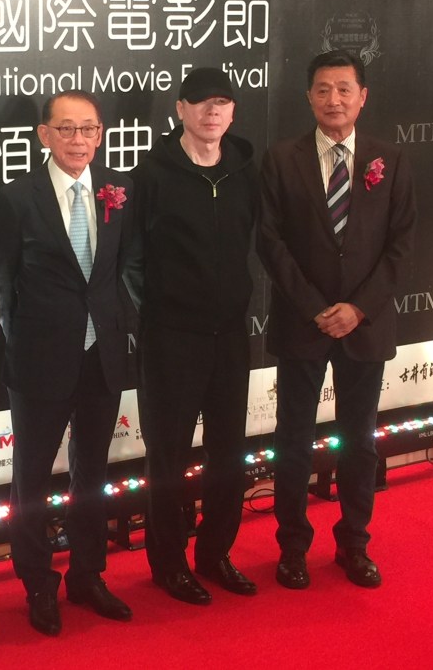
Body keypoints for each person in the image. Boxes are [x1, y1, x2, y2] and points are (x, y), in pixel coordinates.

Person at [257, 49, 417, 590]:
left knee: (359, 441)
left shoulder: (390, 159)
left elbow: (401, 246)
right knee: (294, 440)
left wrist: (358, 308)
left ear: (362, 96)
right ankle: (292, 548)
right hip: (303, 323)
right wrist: (315, 308)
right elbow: (270, 242)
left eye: (344, 89)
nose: (334, 99)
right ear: (309, 97)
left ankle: (354, 543)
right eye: (323, 89)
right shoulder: (282, 159)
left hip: (364, 327)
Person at [0, 90, 134, 637]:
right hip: (39, 359)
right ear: (44, 135)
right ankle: (36, 582)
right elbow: (3, 283)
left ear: (100, 134)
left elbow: (122, 268)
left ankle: (87, 574)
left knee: (92, 474)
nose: (79, 140)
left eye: (89, 129)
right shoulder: (15, 198)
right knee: (30, 479)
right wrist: (22, 343)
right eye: (66, 129)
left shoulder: (118, 189)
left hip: (103, 355)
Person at [126, 67, 259, 605]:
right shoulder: (150, 173)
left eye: (222, 102)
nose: (212, 111)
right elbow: (131, 259)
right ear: (180, 109)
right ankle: (168, 562)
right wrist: (161, 313)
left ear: (233, 112)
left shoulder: (245, 168)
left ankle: (215, 553)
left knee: (229, 452)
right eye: (201, 102)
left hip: (230, 336)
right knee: (168, 455)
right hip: (171, 338)